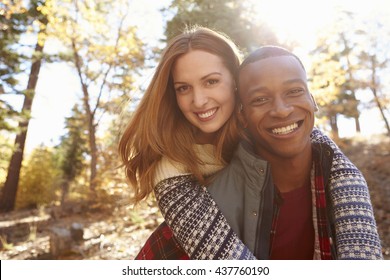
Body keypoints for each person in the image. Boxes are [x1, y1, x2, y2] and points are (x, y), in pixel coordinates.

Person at [134, 46, 383, 260]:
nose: (282, 110)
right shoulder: (197, 194)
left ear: (312, 99)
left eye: (294, 91)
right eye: (260, 99)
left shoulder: (337, 176)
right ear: (241, 113)